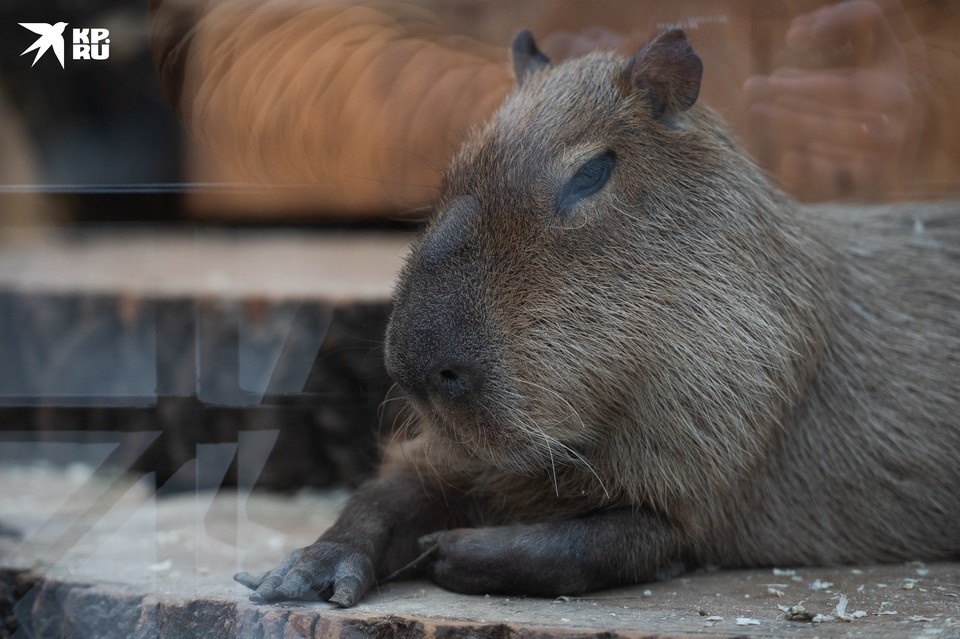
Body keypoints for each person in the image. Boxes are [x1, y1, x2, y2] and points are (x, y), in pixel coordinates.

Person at [148, 0, 960, 218]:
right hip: (511, 322)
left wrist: (927, 96)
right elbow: (243, 49)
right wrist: (522, 116)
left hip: (874, 307)